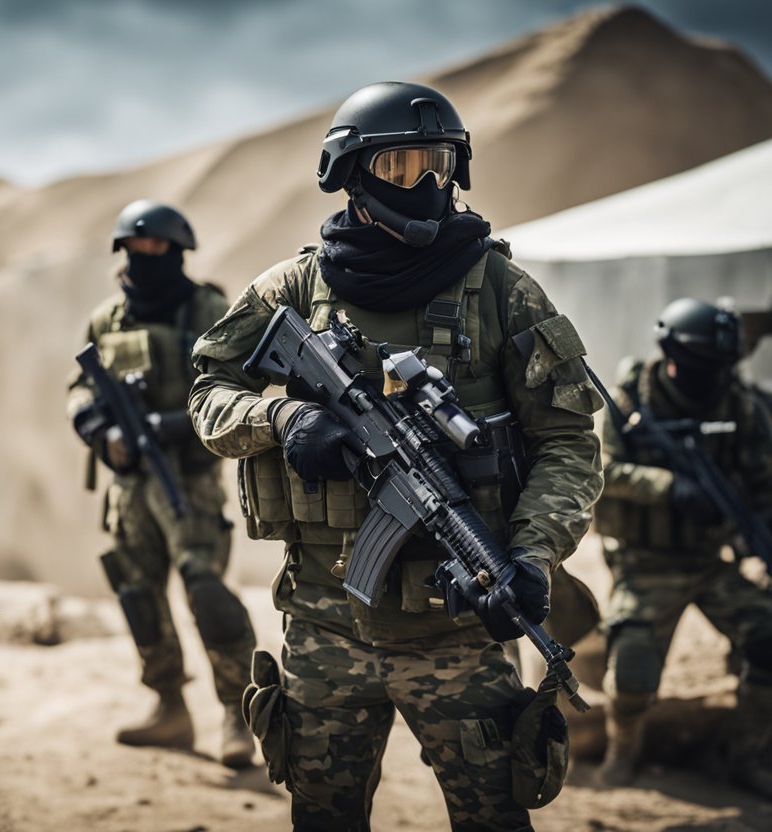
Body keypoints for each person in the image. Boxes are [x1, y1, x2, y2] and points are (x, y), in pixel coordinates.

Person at [188, 81, 604, 831]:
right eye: (400, 167)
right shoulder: (292, 289)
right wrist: (281, 418)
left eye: (439, 166)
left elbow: (569, 441)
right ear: (350, 173)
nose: (425, 185)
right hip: (323, 628)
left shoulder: (502, 290)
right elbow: (208, 396)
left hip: (460, 637)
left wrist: (535, 557)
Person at [67, 199, 257, 767]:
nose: (148, 257)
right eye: (137, 248)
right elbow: (79, 387)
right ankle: (169, 707)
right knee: (137, 593)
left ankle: (237, 714)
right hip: (129, 485)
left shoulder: (207, 308)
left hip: (189, 479)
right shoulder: (107, 319)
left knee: (207, 592)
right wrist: (100, 430)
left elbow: (238, 383)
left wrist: (170, 425)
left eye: (160, 249)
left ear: (179, 252)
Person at [594, 298, 772, 793]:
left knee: (768, 640)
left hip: (710, 562)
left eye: (721, 367)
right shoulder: (629, 402)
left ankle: (748, 756)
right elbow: (599, 472)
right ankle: (621, 755)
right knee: (630, 672)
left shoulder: (739, 406)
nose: (710, 377)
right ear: (671, 354)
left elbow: (763, 484)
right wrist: (670, 488)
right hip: (645, 563)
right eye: (702, 367)